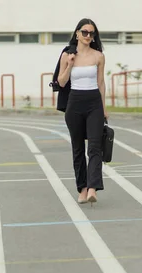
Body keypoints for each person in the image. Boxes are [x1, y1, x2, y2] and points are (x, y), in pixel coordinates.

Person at [56, 18, 108, 205]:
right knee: (78, 148)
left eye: (91, 33)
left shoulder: (98, 56)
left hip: (94, 102)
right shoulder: (66, 55)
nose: (88, 36)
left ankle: (93, 188)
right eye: (84, 32)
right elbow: (61, 82)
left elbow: (101, 83)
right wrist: (70, 64)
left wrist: (104, 108)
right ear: (77, 33)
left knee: (94, 147)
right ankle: (83, 188)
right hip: (75, 103)